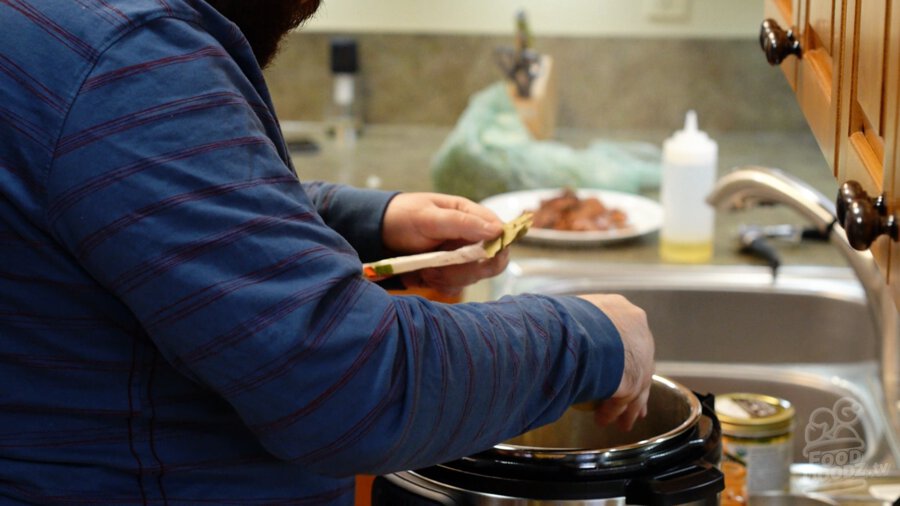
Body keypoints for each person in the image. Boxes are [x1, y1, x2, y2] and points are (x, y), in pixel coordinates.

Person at [0, 0, 655, 503]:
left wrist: (371, 220)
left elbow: (136, 205)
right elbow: (348, 381)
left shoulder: (55, 28)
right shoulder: (126, 55)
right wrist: (590, 337)